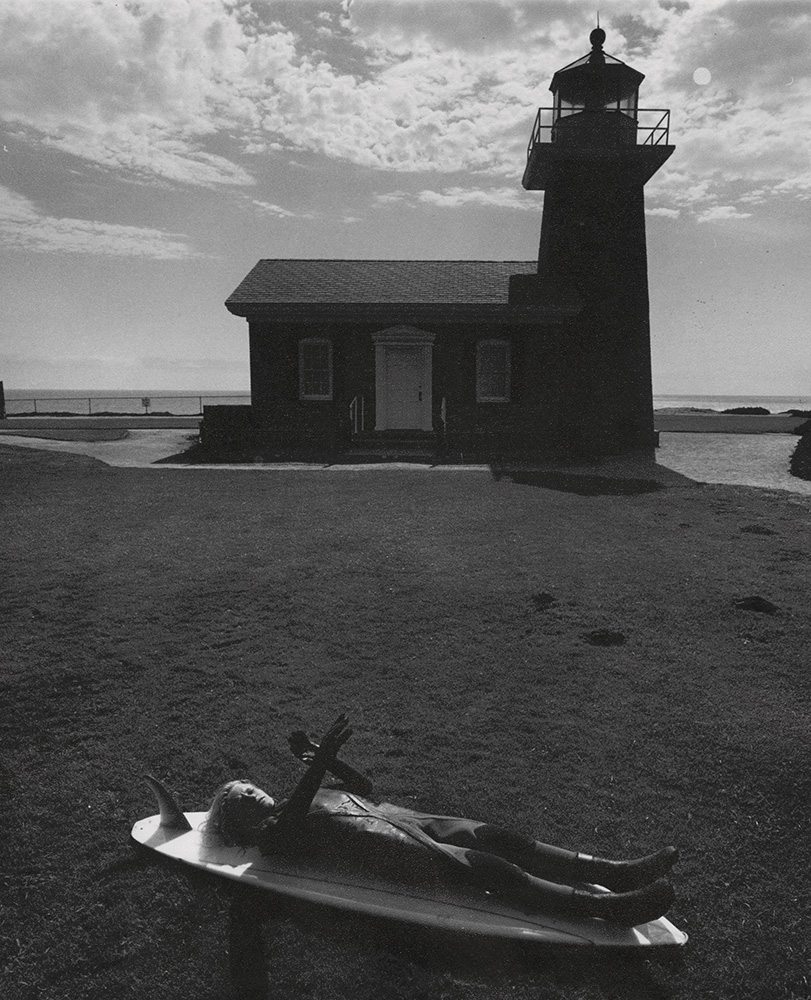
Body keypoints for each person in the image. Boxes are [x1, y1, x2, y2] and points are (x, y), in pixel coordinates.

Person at [206, 715, 677, 927]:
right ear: (239, 821)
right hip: (395, 852)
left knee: (500, 837)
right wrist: (319, 760)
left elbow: (364, 789)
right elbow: (290, 831)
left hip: (406, 819)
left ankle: (614, 872)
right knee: (494, 870)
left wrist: (324, 761)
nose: (252, 790)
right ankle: (610, 909)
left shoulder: (304, 792)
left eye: (248, 784)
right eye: (241, 796)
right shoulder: (271, 841)